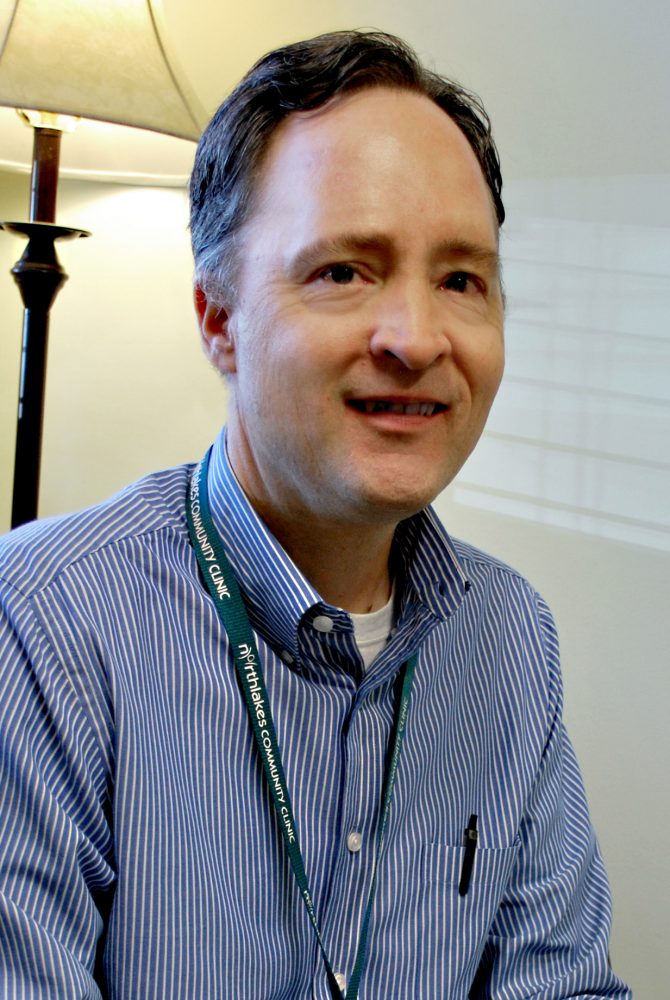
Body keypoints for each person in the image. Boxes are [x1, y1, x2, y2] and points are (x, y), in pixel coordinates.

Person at [0, 29, 631, 1000]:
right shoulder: (41, 627)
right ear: (218, 318)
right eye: (344, 270)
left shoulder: (508, 639)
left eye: (460, 279)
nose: (416, 338)